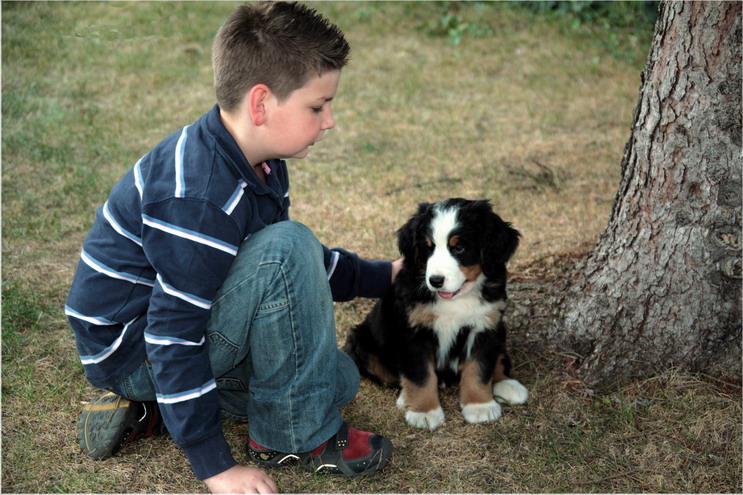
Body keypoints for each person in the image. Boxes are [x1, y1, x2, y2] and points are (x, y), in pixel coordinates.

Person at [66, 2, 400, 493]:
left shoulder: (258, 157)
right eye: (317, 105)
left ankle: (153, 409)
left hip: (181, 326)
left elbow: (282, 272)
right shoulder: (201, 197)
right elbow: (173, 334)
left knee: (339, 378)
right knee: (290, 251)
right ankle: (292, 434)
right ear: (261, 104)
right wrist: (214, 467)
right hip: (137, 349)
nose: (330, 121)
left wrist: (385, 276)